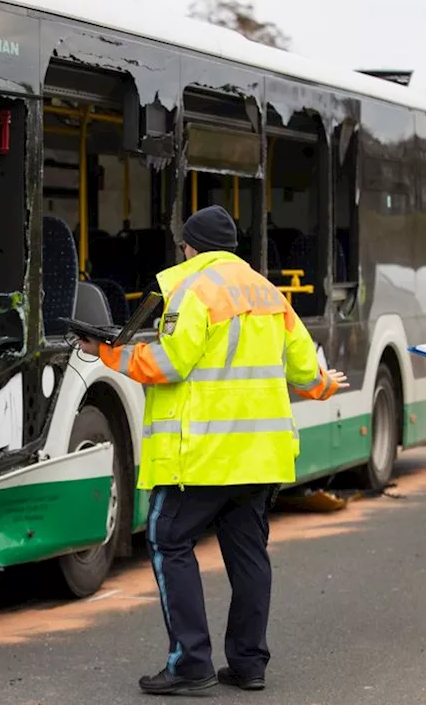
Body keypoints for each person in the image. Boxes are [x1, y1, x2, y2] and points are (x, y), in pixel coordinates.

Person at [76, 205, 348, 694]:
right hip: (261, 457)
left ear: (190, 247)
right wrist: (325, 386)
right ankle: (248, 663)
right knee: (248, 555)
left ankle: (190, 663)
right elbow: (305, 368)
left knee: (167, 539)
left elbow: (168, 363)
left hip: (203, 455)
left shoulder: (192, 289)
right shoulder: (269, 293)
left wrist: (106, 352)